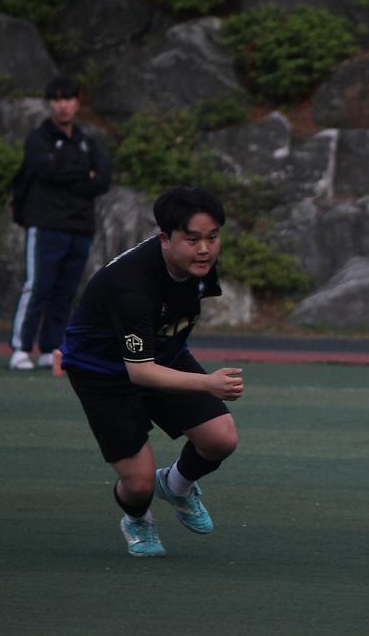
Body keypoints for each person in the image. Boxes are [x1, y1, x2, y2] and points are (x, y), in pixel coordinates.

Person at [59, 188, 243, 557]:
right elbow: (141, 373)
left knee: (220, 439)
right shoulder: (130, 288)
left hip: (161, 354)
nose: (205, 249)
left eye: (212, 237)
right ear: (165, 239)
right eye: (192, 239)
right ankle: (137, 517)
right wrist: (207, 383)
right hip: (102, 372)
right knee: (139, 484)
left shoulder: (198, 265)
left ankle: (176, 485)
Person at [9, 75, 111, 372]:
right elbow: (44, 170)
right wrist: (83, 175)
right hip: (46, 224)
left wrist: (66, 172)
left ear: (77, 103)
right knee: (38, 287)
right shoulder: (37, 138)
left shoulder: (87, 142)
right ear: (49, 104)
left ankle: (51, 348)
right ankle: (21, 348)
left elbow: (102, 179)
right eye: (56, 100)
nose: (62, 105)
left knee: (65, 292)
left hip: (80, 227)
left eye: (67, 99)